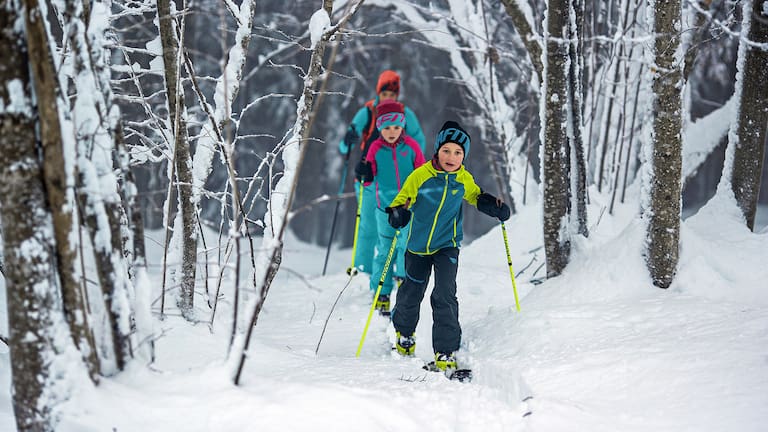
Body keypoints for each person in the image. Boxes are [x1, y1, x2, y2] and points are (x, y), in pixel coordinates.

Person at [385, 121, 511, 371]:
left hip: (447, 245)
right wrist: (398, 214)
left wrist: (491, 206)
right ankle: (404, 334)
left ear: (463, 156)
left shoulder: (463, 178)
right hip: (418, 246)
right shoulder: (420, 176)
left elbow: (475, 195)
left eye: (458, 152)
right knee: (412, 293)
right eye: (447, 150)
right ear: (437, 150)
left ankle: (445, 350)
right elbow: (401, 201)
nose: (452, 157)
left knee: (445, 294)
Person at [339, 70, 426, 276]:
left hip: (397, 183)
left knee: (399, 229)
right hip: (367, 178)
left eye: (392, 95)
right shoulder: (367, 112)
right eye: (385, 94)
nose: (388, 98)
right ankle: (364, 270)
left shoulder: (405, 114)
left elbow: (418, 143)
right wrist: (348, 139)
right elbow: (344, 148)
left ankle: (398, 272)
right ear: (379, 93)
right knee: (368, 225)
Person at [354, 101, 425, 315]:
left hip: (408, 208)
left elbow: (421, 172)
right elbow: (368, 180)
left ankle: (404, 284)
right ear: (379, 128)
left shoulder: (411, 146)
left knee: (406, 247)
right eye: (386, 128)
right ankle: (381, 292)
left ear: (402, 126)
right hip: (384, 208)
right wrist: (364, 173)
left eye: (396, 127)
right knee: (386, 249)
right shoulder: (375, 148)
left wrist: (419, 195)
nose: (392, 132)